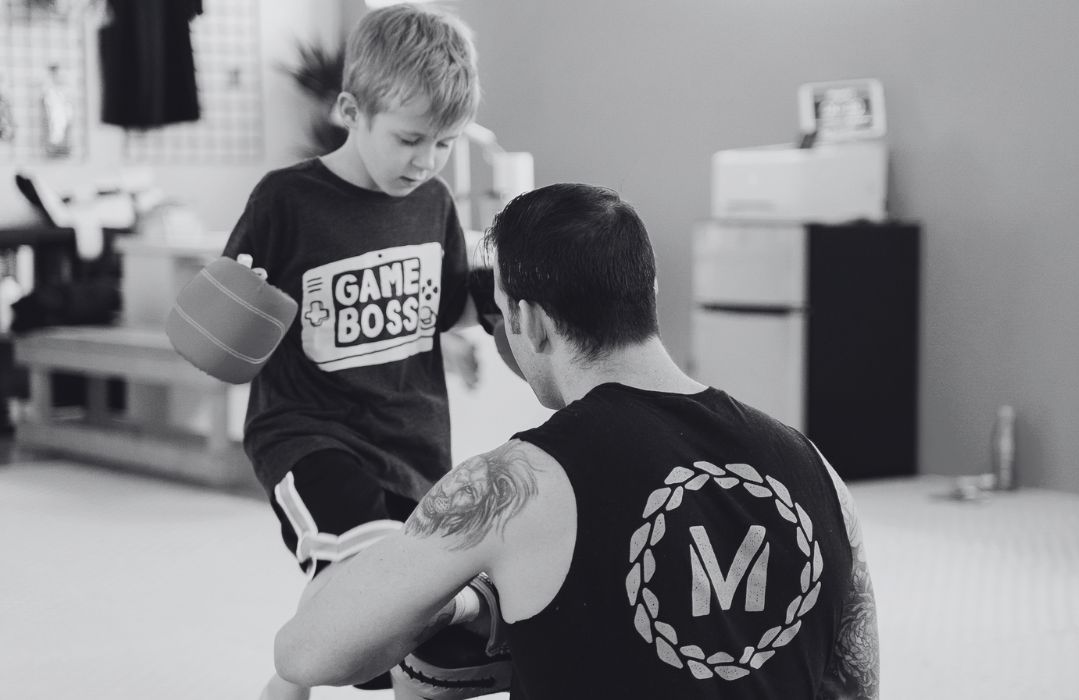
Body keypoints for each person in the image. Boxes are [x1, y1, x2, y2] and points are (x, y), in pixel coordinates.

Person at [274, 183, 881, 699]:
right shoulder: (813, 467)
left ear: (530, 322)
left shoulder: (512, 484)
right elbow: (857, 683)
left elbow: (305, 655)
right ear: (647, 295)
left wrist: (457, 603)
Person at [219, 5, 495, 699]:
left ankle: (302, 670)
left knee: (410, 600)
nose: (425, 161)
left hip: (412, 435)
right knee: (361, 576)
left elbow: (446, 303)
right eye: (409, 139)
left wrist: (472, 331)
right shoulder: (287, 200)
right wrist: (227, 313)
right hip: (308, 432)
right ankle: (291, 679)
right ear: (350, 109)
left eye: (444, 143)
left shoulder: (432, 202)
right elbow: (228, 315)